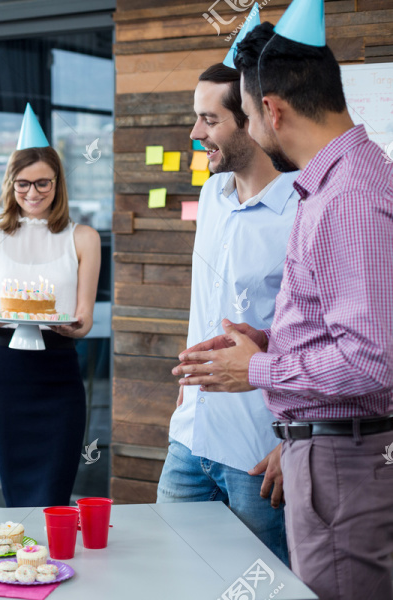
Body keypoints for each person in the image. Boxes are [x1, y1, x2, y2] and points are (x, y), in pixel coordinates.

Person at [173, 4, 393, 598]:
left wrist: (259, 367)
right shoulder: (338, 182)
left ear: (270, 110)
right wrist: (271, 341)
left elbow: (374, 360)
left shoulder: (347, 197)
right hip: (322, 452)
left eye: (242, 113)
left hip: (341, 459)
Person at [157, 60, 298, 566]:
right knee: (173, 573)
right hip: (190, 437)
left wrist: (296, 442)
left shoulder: (304, 212)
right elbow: (207, 306)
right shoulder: (212, 195)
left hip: (259, 451)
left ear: (254, 121)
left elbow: (319, 334)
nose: (197, 134)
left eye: (209, 120)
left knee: (266, 586)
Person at [0, 104, 101, 507]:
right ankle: (19, 568)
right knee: (16, 493)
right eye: (23, 184)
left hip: (59, 374)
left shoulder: (83, 237)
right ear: (10, 184)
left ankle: (51, 567)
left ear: (59, 183)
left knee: (54, 494)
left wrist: (73, 327)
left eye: (43, 184)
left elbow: (83, 322)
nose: (33, 193)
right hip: (7, 375)